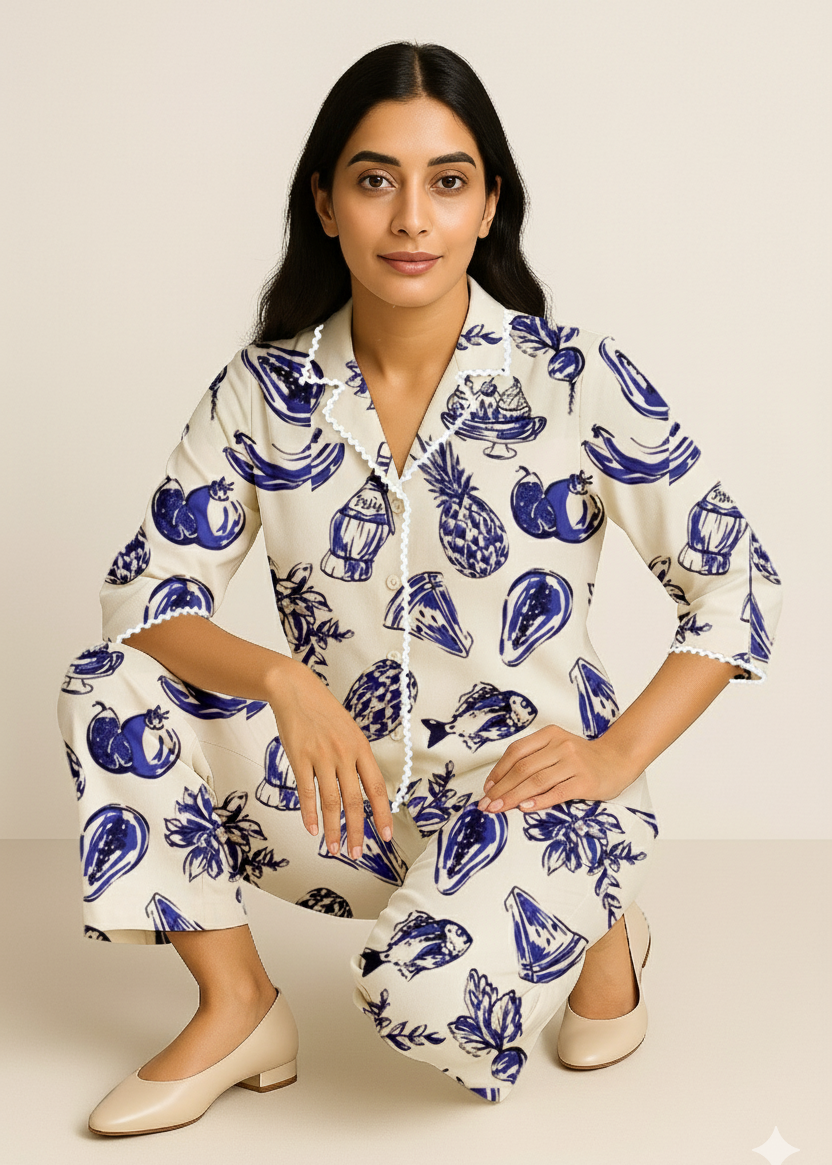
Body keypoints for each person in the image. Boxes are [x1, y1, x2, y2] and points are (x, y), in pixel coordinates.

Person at [56, 40, 783, 1136]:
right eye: (374, 180)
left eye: (446, 182)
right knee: (104, 683)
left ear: (488, 206)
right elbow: (145, 596)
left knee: (426, 1006)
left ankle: (598, 913)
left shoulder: (572, 377)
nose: (410, 218)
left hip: (527, 796)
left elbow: (736, 586)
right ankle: (239, 1005)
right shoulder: (264, 391)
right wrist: (284, 681)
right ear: (326, 203)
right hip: (347, 797)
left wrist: (612, 757)